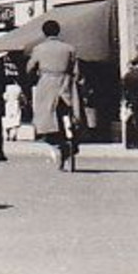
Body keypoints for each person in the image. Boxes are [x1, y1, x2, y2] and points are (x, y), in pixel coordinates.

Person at [26, 19, 80, 167]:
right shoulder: (69, 48)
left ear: (44, 33)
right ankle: (72, 140)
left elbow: (29, 68)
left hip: (47, 82)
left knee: (45, 117)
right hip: (65, 82)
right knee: (71, 112)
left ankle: (59, 143)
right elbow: (76, 70)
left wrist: (33, 75)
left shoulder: (39, 48)